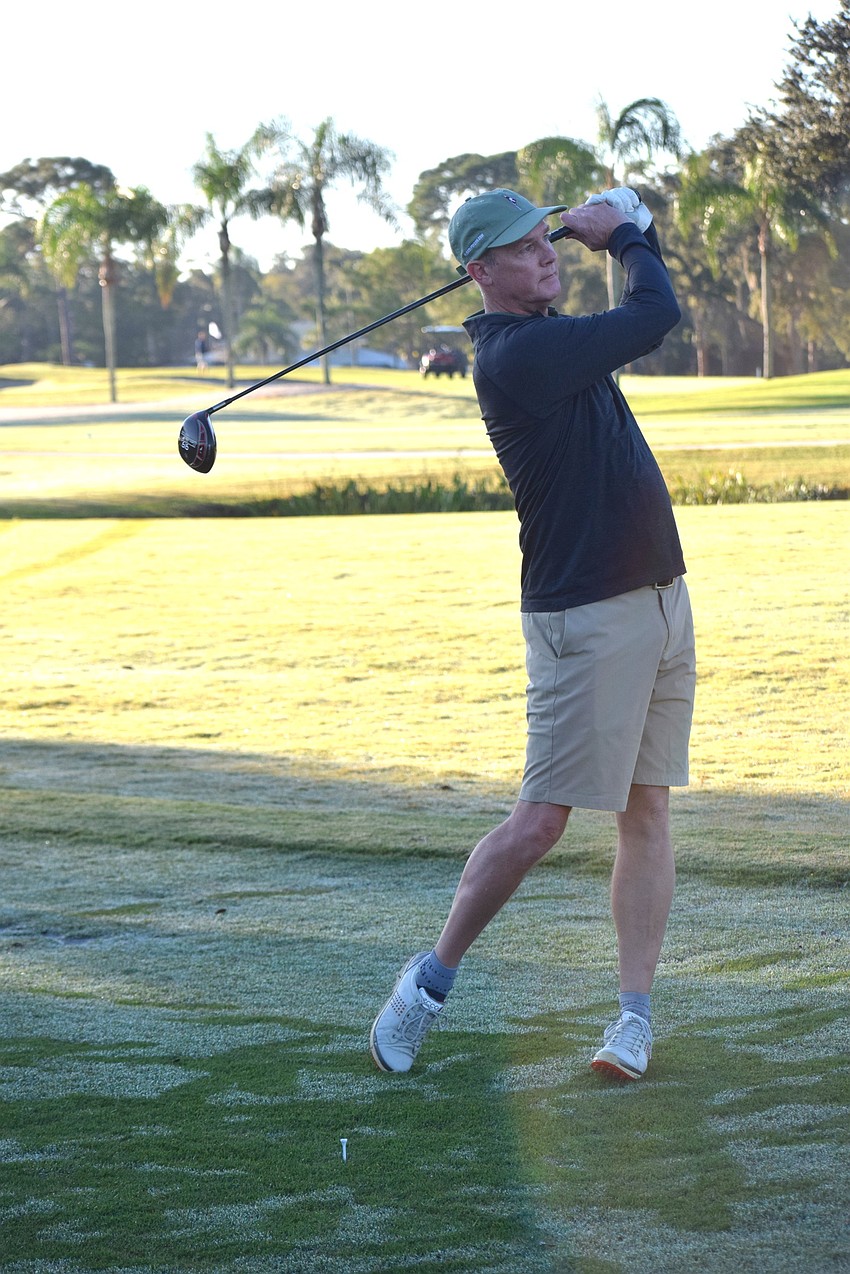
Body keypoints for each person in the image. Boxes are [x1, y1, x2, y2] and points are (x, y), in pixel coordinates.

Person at [369, 187, 696, 1082]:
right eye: (523, 248)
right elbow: (654, 310)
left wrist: (631, 235)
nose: (547, 254)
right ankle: (426, 986)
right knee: (542, 821)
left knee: (649, 809)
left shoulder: (552, 339)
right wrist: (624, 232)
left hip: (662, 599)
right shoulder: (516, 357)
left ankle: (633, 1020)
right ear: (480, 273)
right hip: (582, 616)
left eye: (547, 238)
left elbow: (640, 308)